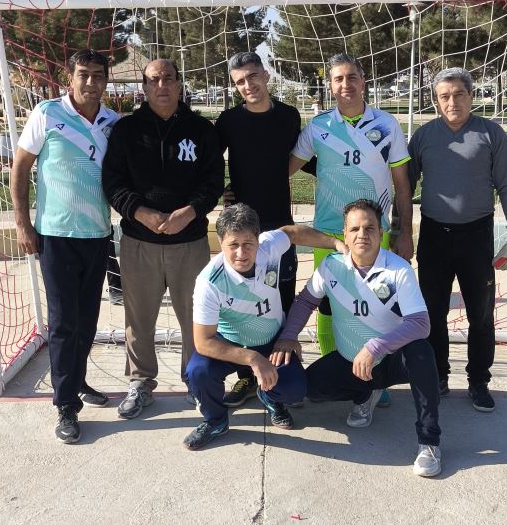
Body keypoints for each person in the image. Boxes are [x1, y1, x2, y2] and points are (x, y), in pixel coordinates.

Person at [272, 198, 442, 478]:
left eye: (369, 228)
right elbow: (305, 301)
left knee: (422, 352)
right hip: (351, 361)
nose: (362, 235)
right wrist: (289, 335)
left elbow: (420, 323)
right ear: (344, 234)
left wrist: (375, 346)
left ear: (380, 231)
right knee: (309, 389)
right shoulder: (332, 266)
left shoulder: (398, 269)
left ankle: (429, 441)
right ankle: (365, 394)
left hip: (390, 360)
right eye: (354, 229)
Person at [288, 53, 414, 411]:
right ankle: (341, 373)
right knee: (330, 305)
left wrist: (405, 231)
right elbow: (284, 169)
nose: (346, 84)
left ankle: (377, 376)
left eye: (352, 77)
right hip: (329, 234)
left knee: (379, 306)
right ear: (330, 85)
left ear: (363, 80)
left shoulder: (386, 124)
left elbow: (402, 184)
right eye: (338, 78)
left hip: (375, 232)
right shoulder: (318, 127)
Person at [103, 58, 224, 419]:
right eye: (154, 80)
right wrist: (141, 212)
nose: (162, 86)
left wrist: (190, 211)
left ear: (179, 83)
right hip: (139, 243)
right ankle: (141, 382)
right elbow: (113, 182)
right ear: (144, 87)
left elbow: (213, 182)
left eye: (168, 79)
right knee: (138, 320)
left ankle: (196, 382)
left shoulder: (201, 129)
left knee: (196, 318)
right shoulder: (126, 130)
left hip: (190, 243)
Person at [10, 50, 119, 444]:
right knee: (63, 322)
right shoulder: (47, 113)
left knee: (87, 320)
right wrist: (23, 223)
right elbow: (20, 168)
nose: (90, 82)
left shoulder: (112, 122)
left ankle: (78, 381)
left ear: (106, 80)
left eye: (97, 75)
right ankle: (66, 405)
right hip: (55, 236)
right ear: (69, 77)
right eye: (83, 74)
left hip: (97, 235)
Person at [408, 67, 507, 413]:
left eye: (459, 94)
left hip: (476, 236)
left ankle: (478, 381)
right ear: (435, 101)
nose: (452, 102)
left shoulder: (491, 133)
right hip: (434, 235)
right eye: (444, 96)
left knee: (481, 315)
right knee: (432, 313)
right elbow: (405, 185)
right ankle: (438, 376)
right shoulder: (424, 136)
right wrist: (398, 229)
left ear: (471, 96)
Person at [183, 204, 344, 450]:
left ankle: (269, 396)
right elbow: (203, 341)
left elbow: (292, 232)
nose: (241, 253)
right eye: (233, 245)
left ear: (258, 240)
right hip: (231, 344)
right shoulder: (209, 282)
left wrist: (335, 243)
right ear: (220, 243)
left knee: (295, 390)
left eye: (248, 243)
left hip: (271, 340)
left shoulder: (269, 247)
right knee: (198, 371)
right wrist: (253, 358)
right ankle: (215, 421)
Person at [215, 50, 302, 409]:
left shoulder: (289, 116)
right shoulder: (228, 121)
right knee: (244, 307)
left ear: (266, 76)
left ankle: (282, 379)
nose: (248, 85)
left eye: (253, 76)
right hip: (243, 230)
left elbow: (305, 159)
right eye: (239, 81)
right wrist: (219, 189)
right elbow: (208, 162)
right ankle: (248, 377)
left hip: (280, 225)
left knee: (281, 303)